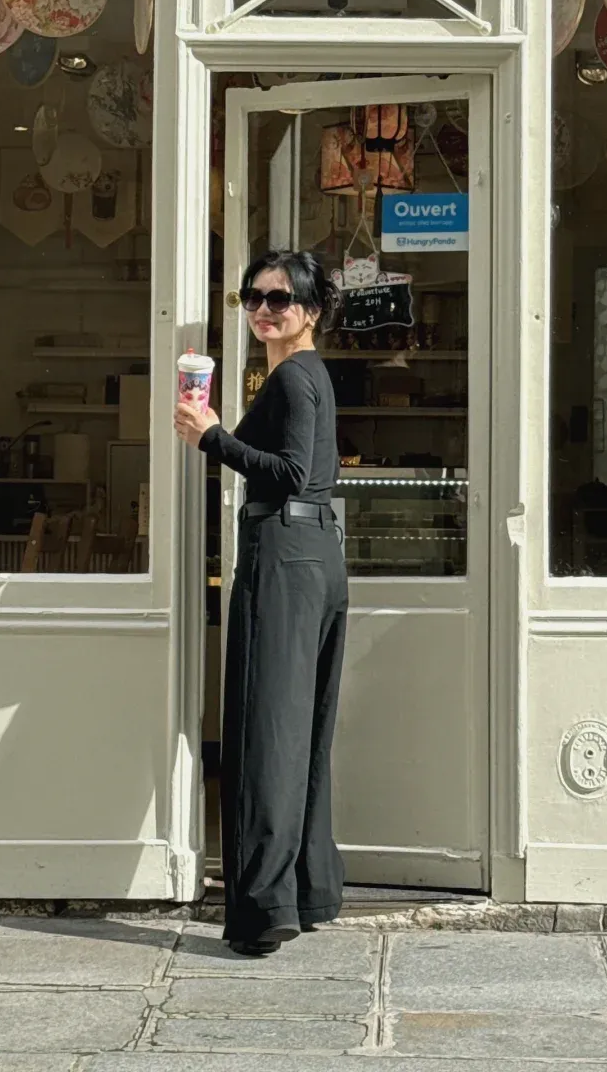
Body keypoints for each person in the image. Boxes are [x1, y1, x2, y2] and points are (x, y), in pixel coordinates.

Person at [174, 249, 348, 956]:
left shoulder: (296, 377)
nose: (264, 310)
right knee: (300, 727)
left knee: (266, 729)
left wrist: (211, 438)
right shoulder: (298, 376)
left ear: (309, 312)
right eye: (254, 297)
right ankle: (309, 889)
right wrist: (215, 426)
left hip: (285, 553)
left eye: (280, 300)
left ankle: (264, 909)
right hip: (314, 556)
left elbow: (295, 474)